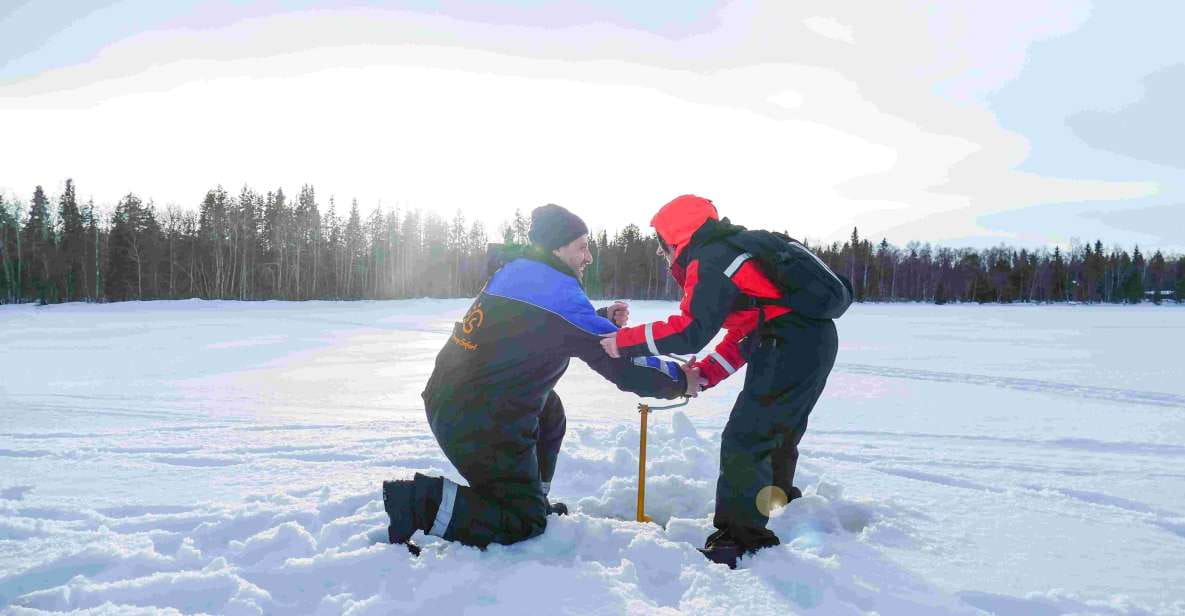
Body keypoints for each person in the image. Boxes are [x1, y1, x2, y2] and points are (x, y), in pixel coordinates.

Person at [383, 204, 701, 552]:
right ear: (556, 249)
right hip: (475, 415)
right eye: (582, 246)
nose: (589, 257)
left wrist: (598, 317)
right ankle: (417, 503)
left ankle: (533, 497)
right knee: (522, 522)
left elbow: (538, 324)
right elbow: (619, 361)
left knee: (549, 411)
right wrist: (679, 379)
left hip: (462, 396)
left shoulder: (522, 272)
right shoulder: (555, 292)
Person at [600, 194, 839, 567]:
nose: (664, 258)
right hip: (810, 341)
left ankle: (742, 538)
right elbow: (744, 332)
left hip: (787, 343)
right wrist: (705, 375)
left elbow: (689, 331)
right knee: (778, 429)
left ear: (674, 239)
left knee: (747, 437)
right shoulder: (730, 253)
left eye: (662, 247)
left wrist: (623, 342)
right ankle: (776, 501)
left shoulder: (709, 258)